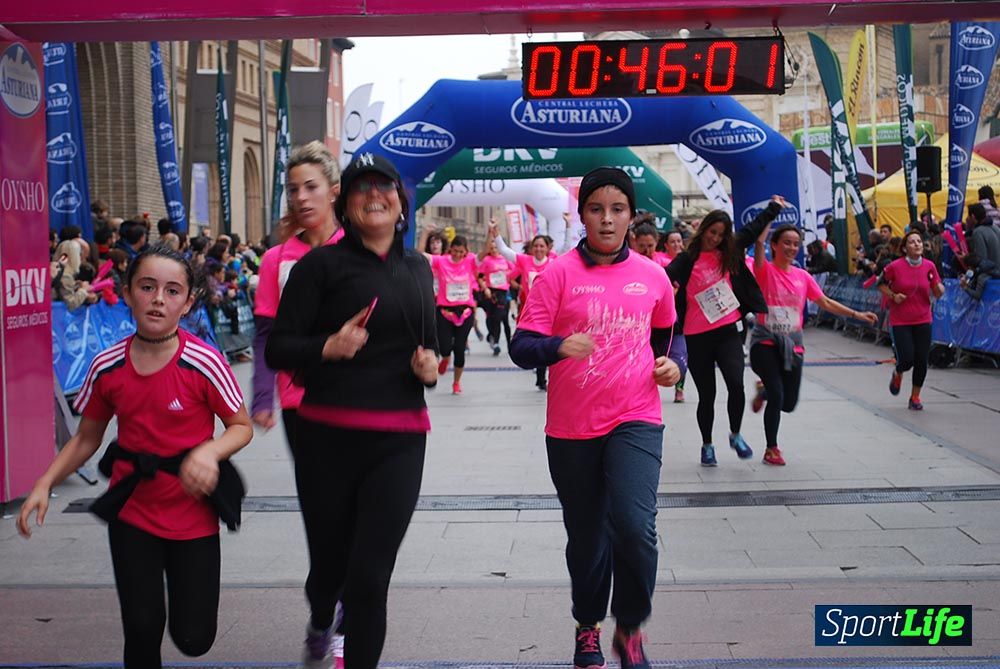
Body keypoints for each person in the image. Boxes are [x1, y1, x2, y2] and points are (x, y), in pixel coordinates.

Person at [18, 246, 253, 668]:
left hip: (192, 514)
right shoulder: (107, 365)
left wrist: (209, 452)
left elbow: (241, 426)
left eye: (172, 290)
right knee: (141, 629)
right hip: (133, 512)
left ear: (188, 302)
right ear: (128, 294)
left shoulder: (204, 361)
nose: (159, 298)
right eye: (148, 287)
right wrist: (43, 483)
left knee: (194, 637)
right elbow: (86, 437)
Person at [265, 152, 438, 669]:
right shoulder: (319, 266)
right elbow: (278, 348)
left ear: (400, 201)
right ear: (347, 204)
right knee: (330, 569)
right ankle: (321, 616)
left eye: (382, 186)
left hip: (400, 440)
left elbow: (427, 347)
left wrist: (429, 367)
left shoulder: (418, 268)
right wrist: (327, 347)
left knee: (369, 578)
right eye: (360, 189)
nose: (373, 196)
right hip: (327, 439)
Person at [510, 167, 679, 669]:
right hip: (571, 427)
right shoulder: (558, 274)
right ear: (581, 214)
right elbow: (522, 346)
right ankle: (588, 625)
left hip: (636, 416)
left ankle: (629, 625)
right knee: (587, 536)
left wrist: (676, 364)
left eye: (618, 209)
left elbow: (670, 333)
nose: (607, 220)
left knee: (634, 525)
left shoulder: (652, 275)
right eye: (596, 209)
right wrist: (558, 346)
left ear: (631, 215)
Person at [250, 140, 347, 667]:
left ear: (334, 191)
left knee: (358, 521)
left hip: (361, 402)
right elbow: (266, 335)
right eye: (293, 189)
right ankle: (321, 613)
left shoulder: (358, 250)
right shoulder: (277, 259)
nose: (301, 197)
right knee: (324, 520)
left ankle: (345, 624)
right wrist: (262, 396)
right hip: (300, 405)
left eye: (311, 187)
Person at [667, 197, 785, 466]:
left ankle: (735, 434)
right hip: (697, 336)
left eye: (721, 235)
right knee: (706, 395)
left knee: (736, 383)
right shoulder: (688, 259)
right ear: (704, 229)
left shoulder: (729, 251)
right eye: (712, 232)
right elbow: (664, 275)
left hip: (728, 330)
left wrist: (774, 207)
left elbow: (753, 228)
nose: (716, 239)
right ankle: (707, 444)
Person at [749, 223, 877, 465]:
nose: (791, 247)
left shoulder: (802, 277)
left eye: (796, 244)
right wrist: (770, 216)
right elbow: (757, 244)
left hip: (793, 345)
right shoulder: (764, 271)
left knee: (788, 403)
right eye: (786, 242)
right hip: (765, 341)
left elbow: (826, 302)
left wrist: (857, 315)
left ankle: (763, 390)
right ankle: (771, 448)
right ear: (774, 245)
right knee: (778, 395)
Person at [878, 230, 945, 410]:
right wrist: (893, 295)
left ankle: (915, 397)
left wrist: (939, 288)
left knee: (922, 359)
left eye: (919, 241)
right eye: (912, 242)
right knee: (907, 359)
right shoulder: (895, 266)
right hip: (901, 320)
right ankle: (899, 372)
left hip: (923, 318)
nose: (917, 244)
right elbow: (880, 283)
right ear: (905, 248)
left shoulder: (929, 266)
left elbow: (937, 291)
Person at [492, 223, 561, 389]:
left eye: (541, 246)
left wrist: (566, 226)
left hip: (549, 310)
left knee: (545, 339)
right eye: (535, 246)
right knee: (533, 340)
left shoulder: (554, 261)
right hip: (529, 310)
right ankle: (537, 369)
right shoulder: (525, 261)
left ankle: (541, 377)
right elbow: (505, 251)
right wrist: (496, 234)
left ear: (547, 248)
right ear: (531, 248)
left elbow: (566, 249)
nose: (538, 249)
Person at [419, 232, 478, 394]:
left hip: (465, 312)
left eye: (461, 252)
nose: (458, 255)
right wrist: (425, 234)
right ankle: (445, 357)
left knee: (459, 348)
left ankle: (456, 382)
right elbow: (420, 256)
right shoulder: (441, 261)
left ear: (466, 251)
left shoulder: (470, 261)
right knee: (444, 347)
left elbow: (486, 251)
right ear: (450, 249)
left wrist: (491, 233)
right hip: (444, 311)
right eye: (455, 251)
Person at [478, 236, 515, 355]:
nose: (494, 250)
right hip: (490, 292)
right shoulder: (486, 260)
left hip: (502, 292)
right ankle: (491, 335)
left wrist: (509, 277)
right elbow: (479, 276)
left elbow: (515, 272)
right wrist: (485, 288)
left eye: (496, 248)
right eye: (492, 248)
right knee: (490, 318)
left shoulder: (505, 260)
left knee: (499, 317)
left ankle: (497, 343)